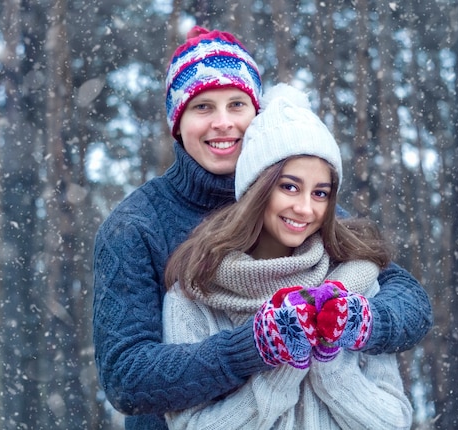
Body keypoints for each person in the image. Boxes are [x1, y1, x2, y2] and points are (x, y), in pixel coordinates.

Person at [92, 26, 432, 430]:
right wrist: (254, 347)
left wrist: (363, 322)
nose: (223, 123)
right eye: (203, 108)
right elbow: (127, 378)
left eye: (237, 104)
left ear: (256, 114)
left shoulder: (294, 205)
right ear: (177, 122)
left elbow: (408, 298)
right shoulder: (135, 226)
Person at [161, 83, 413, 429]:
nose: (305, 208)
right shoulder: (195, 292)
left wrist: (329, 363)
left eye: (320, 193)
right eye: (289, 187)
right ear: (256, 189)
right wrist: (280, 369)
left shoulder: (355, 285)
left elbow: (394, 420)